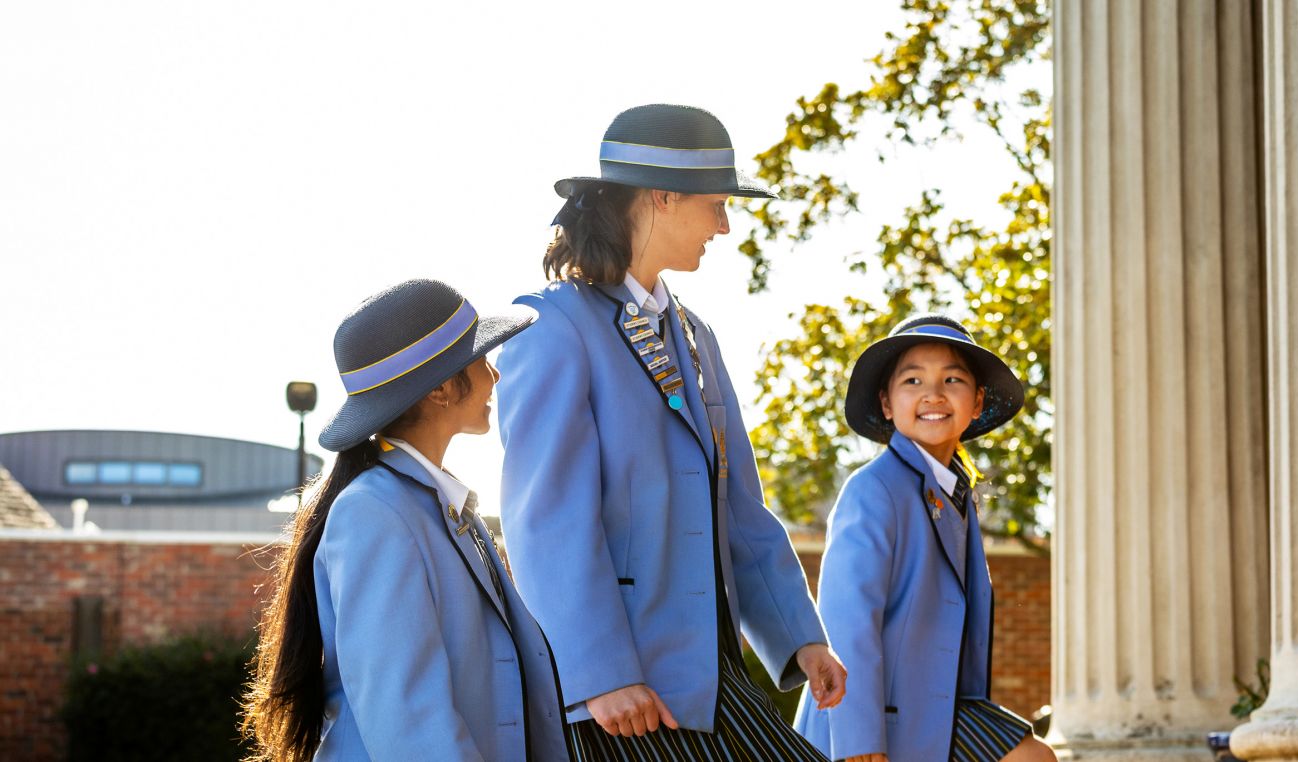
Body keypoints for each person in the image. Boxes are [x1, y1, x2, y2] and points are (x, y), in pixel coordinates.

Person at [496, 103, 846, 760]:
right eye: (716, 203)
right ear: (661, 198)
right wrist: (602, 673)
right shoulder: (552, 328)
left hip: (711, 684)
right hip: (619, 700)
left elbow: (739, 507)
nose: (725, 224)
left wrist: (800, 635)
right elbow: (546, 522)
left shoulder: (695, 335)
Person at [242, 279, 569, 761]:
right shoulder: (372, 512)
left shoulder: (440, 502)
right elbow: (408, 719)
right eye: (479, 359)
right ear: (440, 388)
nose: (494, 376)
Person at [794, 314, 1057, 762]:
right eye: (913, 380)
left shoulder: (955, 492)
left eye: (952, 379)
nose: (933, 394)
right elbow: (847, 620)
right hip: (872, 720)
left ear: (976, 402)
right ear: (887, 403)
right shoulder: (872, 489)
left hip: (938, 713)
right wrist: (859, 741)